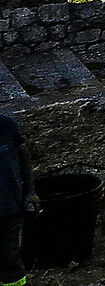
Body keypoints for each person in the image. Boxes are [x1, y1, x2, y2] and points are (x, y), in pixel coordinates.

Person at [0, 109, 35, 286]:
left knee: (10, 258)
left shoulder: (7, 126)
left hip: (9, 207)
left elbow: (24, 159)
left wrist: (30, 192)